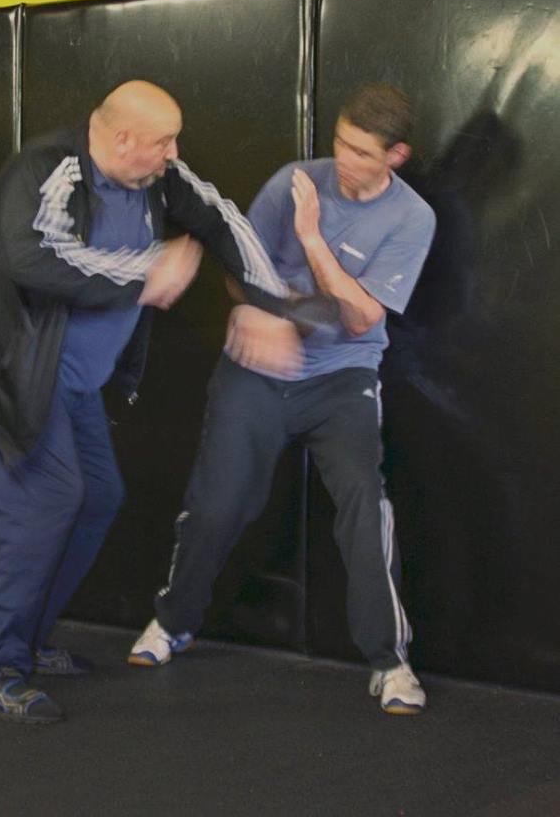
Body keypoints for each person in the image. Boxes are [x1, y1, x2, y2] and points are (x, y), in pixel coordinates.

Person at [0, 79, 311, 724]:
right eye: (163, 142)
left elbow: (220, 218)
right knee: (47, 503)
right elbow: (30, 255)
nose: (174, 154)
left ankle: (26, 642)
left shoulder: (157, 176)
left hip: (78, 378)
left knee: (99, 498)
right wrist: (147, 269)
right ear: (122, 140)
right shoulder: (46, 169)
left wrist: (273, 306)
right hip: (13, 368)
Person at [128, 83, 436, 715]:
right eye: (340, 143)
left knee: (364, 503)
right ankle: (174, 622)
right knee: (217, 504)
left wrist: (312, 238)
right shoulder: (294, 180)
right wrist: (262, 310)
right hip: (259, 370)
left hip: (341, 378)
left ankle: (389, 662)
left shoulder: (412, 218)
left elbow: (361, 317)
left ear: (396, 156)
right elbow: (239, 270)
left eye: (361, 152)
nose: (343, 159)